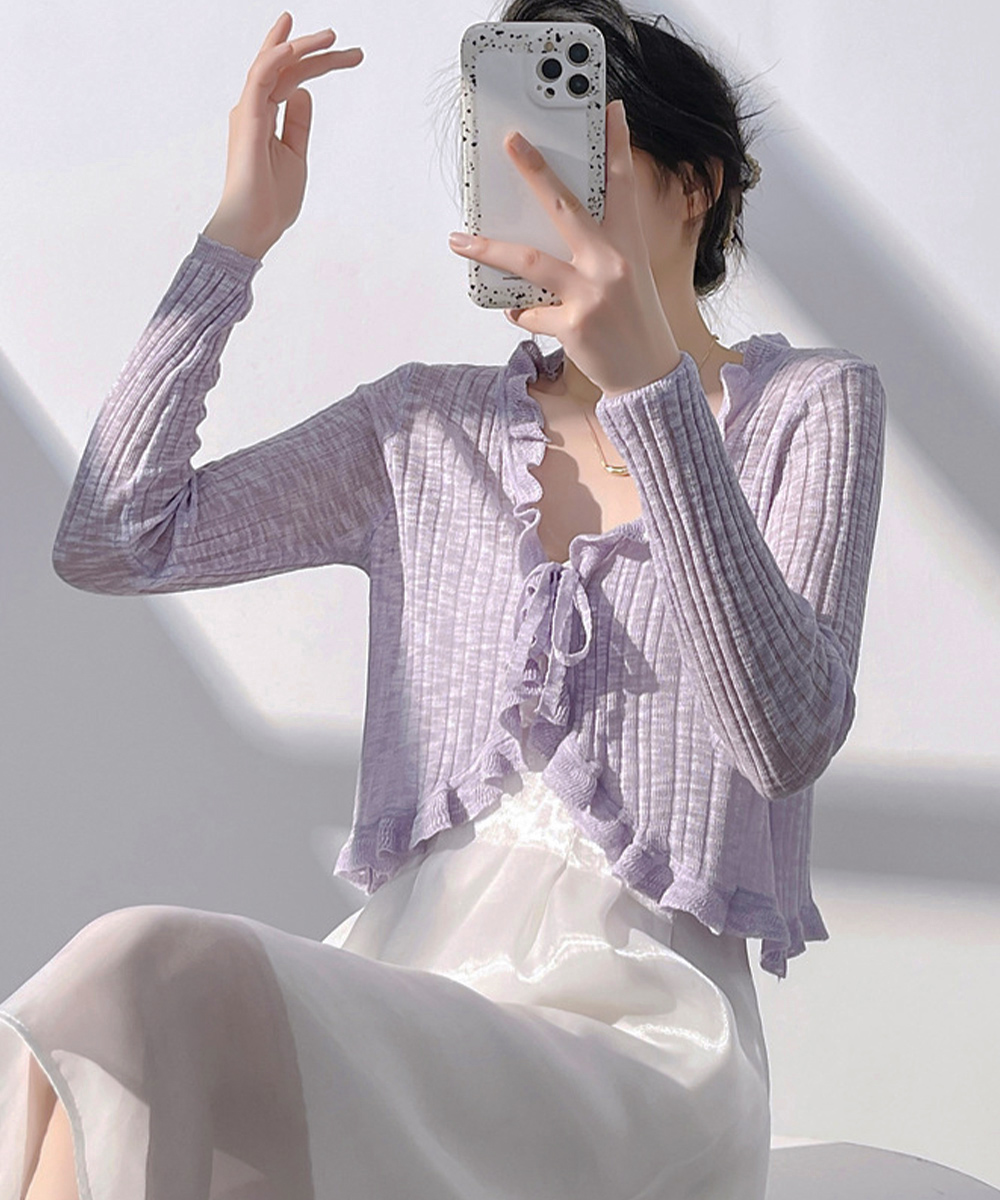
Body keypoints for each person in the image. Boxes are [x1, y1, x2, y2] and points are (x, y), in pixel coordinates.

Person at [0, 3, 887, 1198]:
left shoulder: (812, 410)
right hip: (407, 998)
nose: (541, 200)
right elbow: (115, 537)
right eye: (507, 166)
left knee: (145, 968)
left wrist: (650, 393)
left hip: (641, 1053)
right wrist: (236, 237)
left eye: (575, 161)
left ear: (697, 186)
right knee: (114, 1023)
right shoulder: (422, 426)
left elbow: (785, 740)